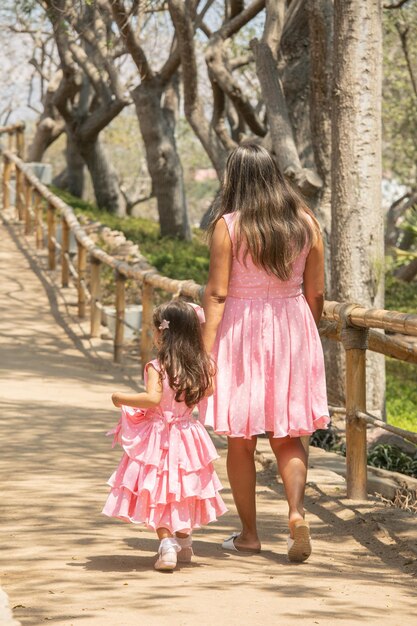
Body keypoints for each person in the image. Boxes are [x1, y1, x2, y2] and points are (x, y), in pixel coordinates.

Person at [200, 142, 329, 562]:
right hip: (293, 329)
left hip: (241, 333)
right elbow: (318, 292)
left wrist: (205, 351)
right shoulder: (306, 224)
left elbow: (217, 294)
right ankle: (296, 513)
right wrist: (302, 331)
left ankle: (250, 535)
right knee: (288, 436)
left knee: (240, 439)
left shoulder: (230, 226)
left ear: (234, 179)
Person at [103, 299, 227, 572]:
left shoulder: (156, 367)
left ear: (164, 333)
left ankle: (167, 545)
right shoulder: (204, 365)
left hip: (160, 436)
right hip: (188, 433)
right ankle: (184, 542)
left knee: (159, 487)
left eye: (155, 330)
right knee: (182, 487)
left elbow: (152, 397)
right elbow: (209, 391)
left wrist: (119, 397)